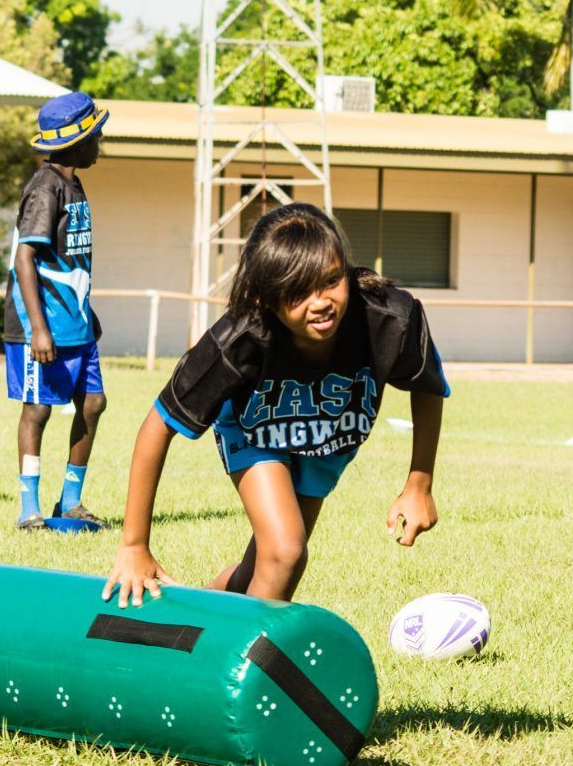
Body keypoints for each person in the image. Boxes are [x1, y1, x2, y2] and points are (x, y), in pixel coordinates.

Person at [103, 203, 449, 607]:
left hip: (329, 436)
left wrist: (418, 484)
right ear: (266, 297)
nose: (320, 301)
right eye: (298, 292)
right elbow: (158, 424)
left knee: (270, 563)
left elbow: (425, 385)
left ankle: (211, 607)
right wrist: (134, 545)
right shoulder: (240, 339)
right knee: (285, 550)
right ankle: (245, 665)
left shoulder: (392, 317)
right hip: (255, 428)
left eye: (331, 280)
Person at [4, 92, 109, 530]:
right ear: (76, 141)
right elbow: (25, 259)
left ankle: (69, 500)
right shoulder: (45, 187)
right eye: (95, 133)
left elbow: (70, 261)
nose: (101, 141)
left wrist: (88, 312)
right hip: (41, 327)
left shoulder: (73, 183)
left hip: (77, 324)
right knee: (38, 410)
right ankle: (29, 508)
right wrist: (39, 330)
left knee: (93, 403)